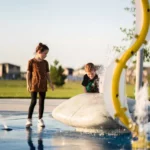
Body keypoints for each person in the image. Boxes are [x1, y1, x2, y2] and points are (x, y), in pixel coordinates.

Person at [26, 43, 54, 128]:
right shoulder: (31, 62)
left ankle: (40, 119)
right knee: (33, 101)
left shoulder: (45, 63)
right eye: (45, 53)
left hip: (43, 84)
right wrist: (28, 84)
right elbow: (28, 74)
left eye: (46, 54)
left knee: (41, 102)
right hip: (34, 84)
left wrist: (50, 83)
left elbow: (47, 74)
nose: (46, 55)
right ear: (39, 51)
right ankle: (29, 119)